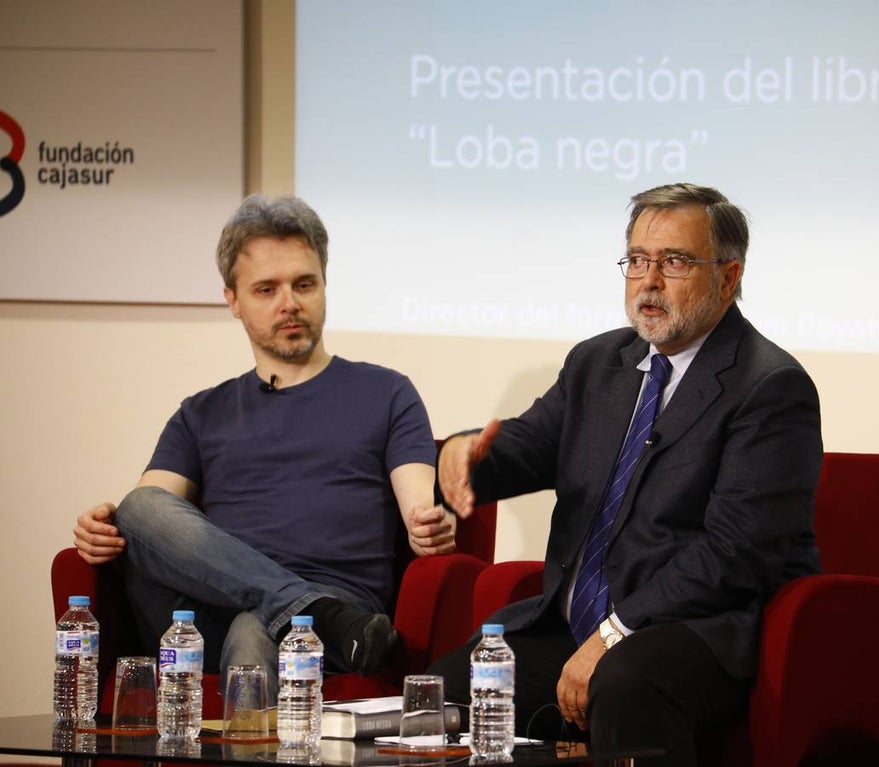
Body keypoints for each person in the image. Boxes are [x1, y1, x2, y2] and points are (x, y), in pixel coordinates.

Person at [432, 183, 823, 766]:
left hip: (693, 630)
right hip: (578, 626)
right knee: (450, 688)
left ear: (729, 276)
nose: (649, 281)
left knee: (626, 681)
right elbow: (530, 446)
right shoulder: (599, 363)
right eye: (637, 260)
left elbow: (738, 553)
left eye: (675, 262)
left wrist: (615, 635)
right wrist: (465, 456)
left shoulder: (769, 387)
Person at [72, 194, 456, 693]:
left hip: (335, 607)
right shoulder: (201, 412)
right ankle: (316, 613)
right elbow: (150, 518)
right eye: (266, 289)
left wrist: (427, 524)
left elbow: (418, 501)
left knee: (257, 630)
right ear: (233, 299)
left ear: (323, 285)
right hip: (227, 616)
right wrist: (101, 527)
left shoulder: (386, 392)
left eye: (304, 284)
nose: (289, 303)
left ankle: (312, 614)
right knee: (140, 506)